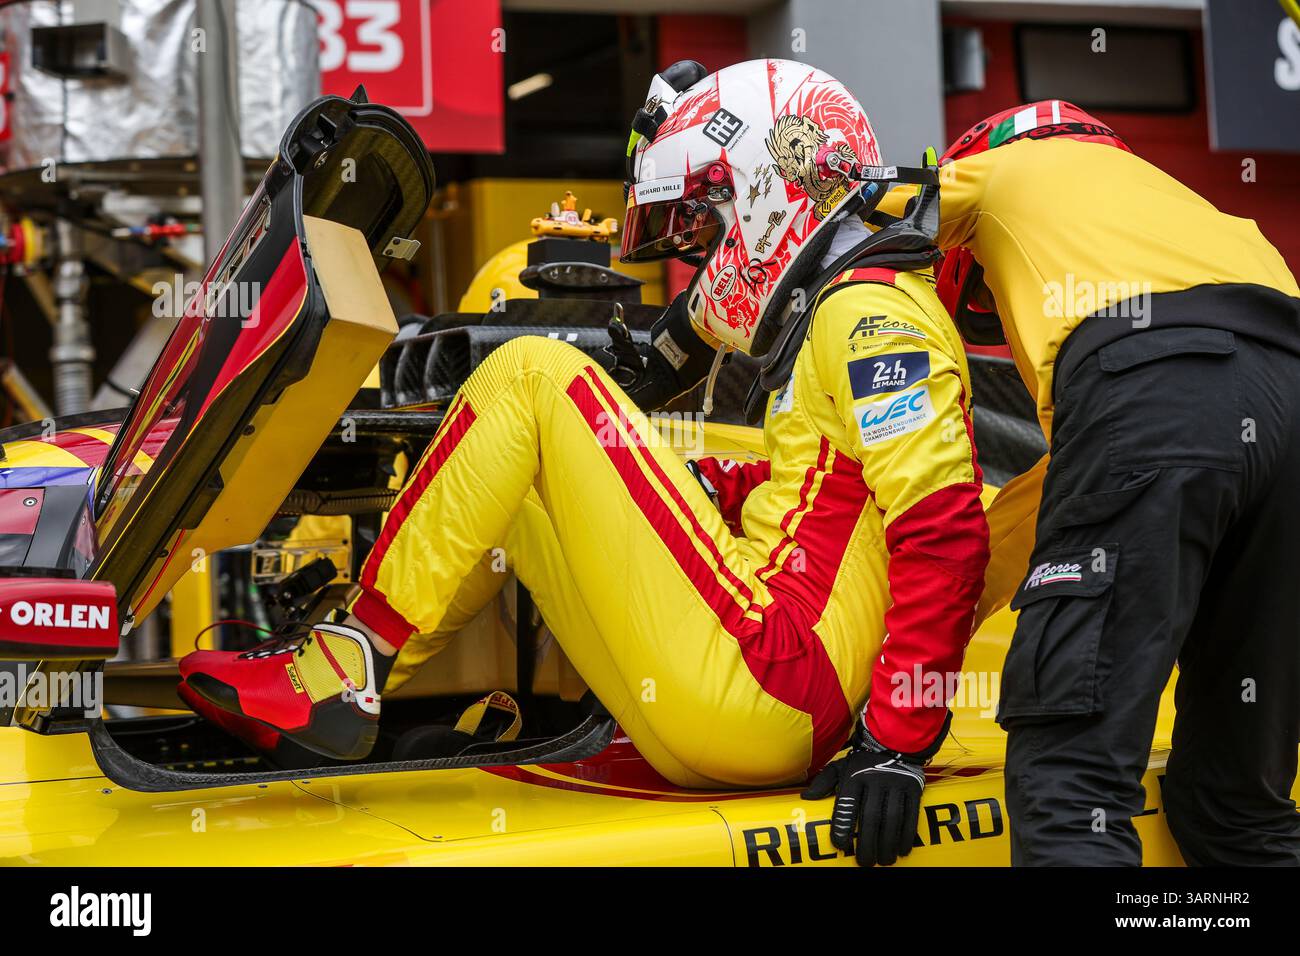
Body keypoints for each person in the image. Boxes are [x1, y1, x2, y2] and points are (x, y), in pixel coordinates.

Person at [179, 59, 990, 867]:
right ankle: (357, 680)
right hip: (753, 694)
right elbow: (812, 500)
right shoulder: (835, 312)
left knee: (534, 371)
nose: (701, 254)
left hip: (778, 683)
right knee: (521, 484)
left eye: (707, 222)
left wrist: (897, 746)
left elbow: (944, 533)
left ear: (769, 188)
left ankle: (338, 673)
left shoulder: (874, 314)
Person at [888, 100, 1300, 865]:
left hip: (1151, 389)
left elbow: (836, 214)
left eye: (981, 297)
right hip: (1286, 407)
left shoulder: (1001, 168)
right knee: (1238, 804)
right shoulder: (1190, 211)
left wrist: (687, 333)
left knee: (1073, 784)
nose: (993, 313)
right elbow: (1029, 520)